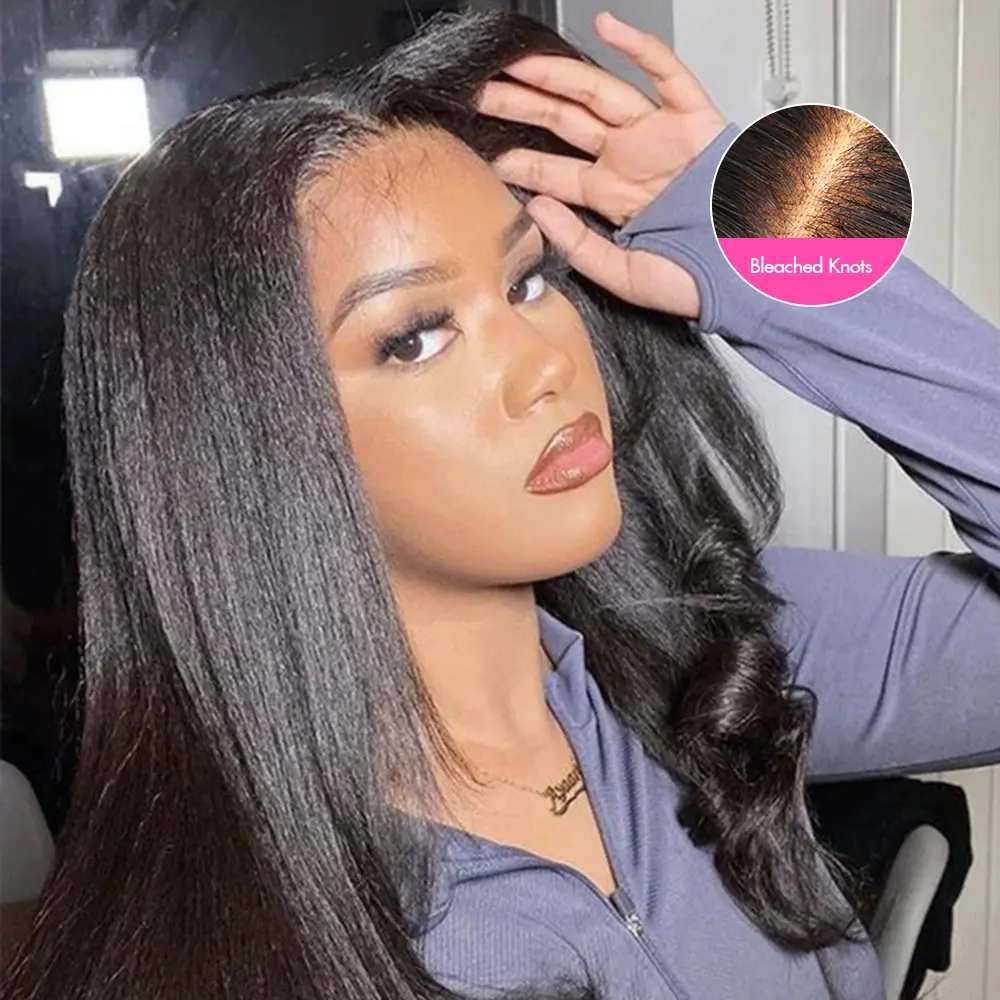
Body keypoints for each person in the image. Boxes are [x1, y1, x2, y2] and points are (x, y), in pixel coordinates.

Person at [2, 9, 997, 1000]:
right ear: (248, 444)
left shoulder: (707, 649)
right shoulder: (250, 939)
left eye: (526, 282)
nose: (547, 362)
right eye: (416, 337)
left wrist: (767, 233)